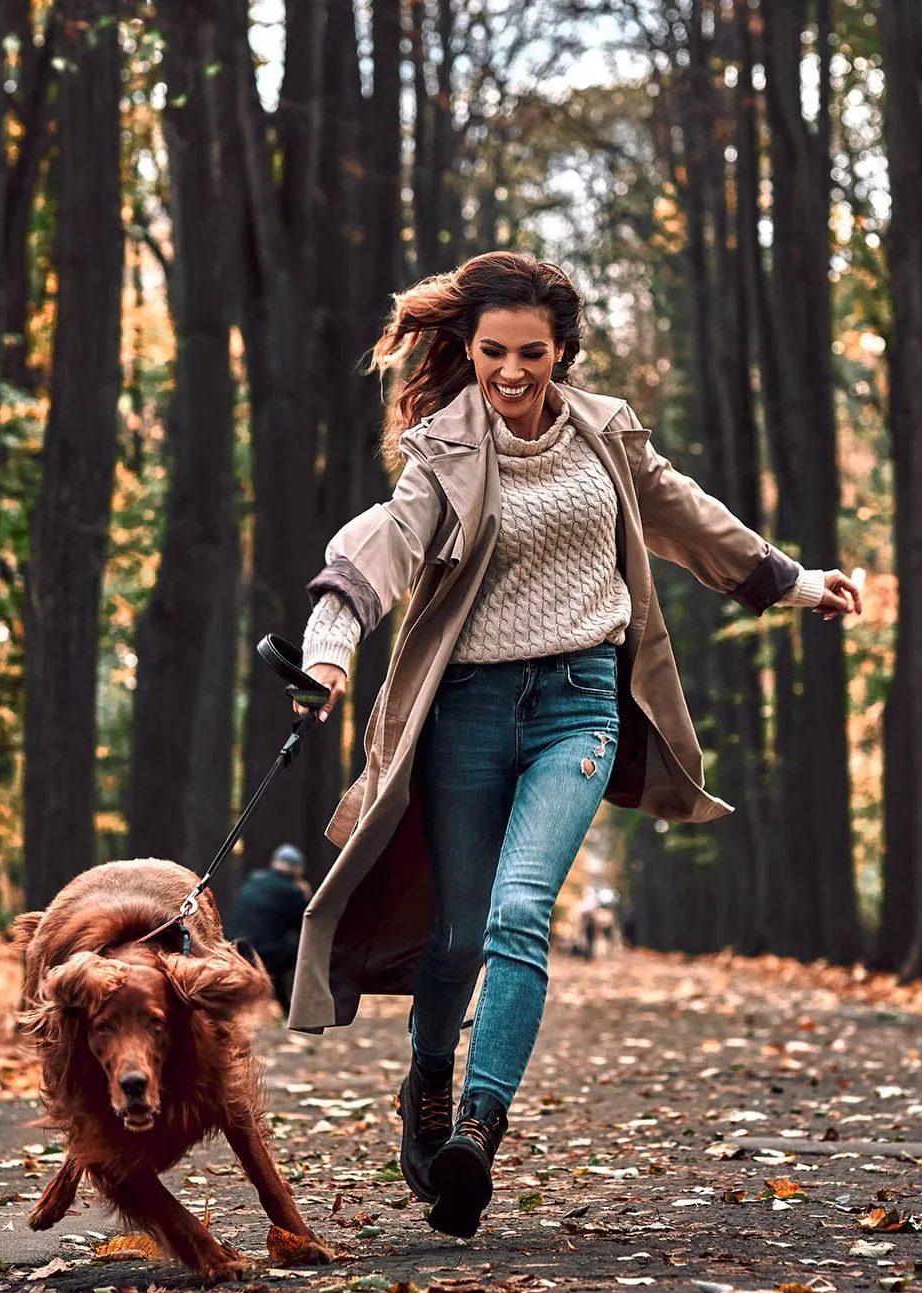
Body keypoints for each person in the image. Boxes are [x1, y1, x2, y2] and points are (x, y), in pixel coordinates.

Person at [283, 251, 860, 1240]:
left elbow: (689, 518)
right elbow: (380, 544)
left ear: (562, 352)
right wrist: (330, 648)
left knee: (518, 912)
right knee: (459, 935)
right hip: (466, 710)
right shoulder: (444, 452)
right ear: (467, 349)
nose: (512, 372)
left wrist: (797, 583)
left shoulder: (606, 435)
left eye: (532, 353)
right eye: (493, 351)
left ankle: (477, 1127)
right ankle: (429, 1077)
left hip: (580, 700)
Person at [225, 843, 310, 1009]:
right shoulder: (291, 891)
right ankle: (298, 1005)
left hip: (234, 949)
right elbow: (306, 923)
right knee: (303, 951)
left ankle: (284, 1006)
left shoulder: (255, 881)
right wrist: (305, 895)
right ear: (297, 869)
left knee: (275, 952)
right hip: (262, 952)